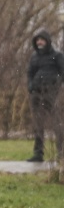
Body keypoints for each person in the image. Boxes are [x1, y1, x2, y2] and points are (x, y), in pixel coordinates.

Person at [26, 30, 63, 163]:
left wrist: (56, 86)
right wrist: (30, 85)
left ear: (47, 40)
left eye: (42, 40)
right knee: (38, 124)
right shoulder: (34, 57)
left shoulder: (57, 55)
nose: (39, 42)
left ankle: (60, 152)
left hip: (51, 93)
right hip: (36, 93)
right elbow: (30, 73)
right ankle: (38, 153)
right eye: (37, 40)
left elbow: (62, 72)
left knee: (56, 123)